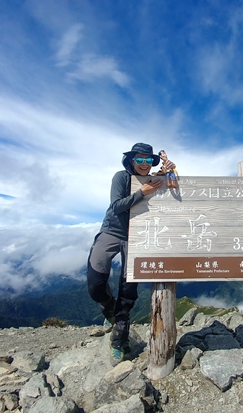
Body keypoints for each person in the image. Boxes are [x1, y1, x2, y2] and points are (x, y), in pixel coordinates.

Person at [87, 142, 175, 366]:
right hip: (112, 231)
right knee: (95, 282)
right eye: (140, 159)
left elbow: (174, 185)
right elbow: (117, 206)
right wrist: (141, 193)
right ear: (131, 160)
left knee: (128, 288)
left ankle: (119, 340)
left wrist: (171, 168)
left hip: (138, 236)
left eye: (148, 160)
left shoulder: (153, 179)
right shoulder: (122, 177)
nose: (144, 164)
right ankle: (108, 308)